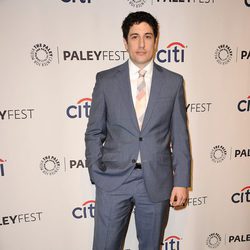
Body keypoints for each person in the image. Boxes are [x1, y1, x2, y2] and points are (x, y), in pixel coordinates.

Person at [85, 11, 191, 250]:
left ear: (156, 40)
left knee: (151, 246)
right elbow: (94, 132)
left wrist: (181, 181)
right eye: (134, 37)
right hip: (113, 180)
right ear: (125, 42)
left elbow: (180, 136)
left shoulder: (174, 82)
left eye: (148, 36)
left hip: (155, 181)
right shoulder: (106, 80)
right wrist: (96, 172)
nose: (141, 44)